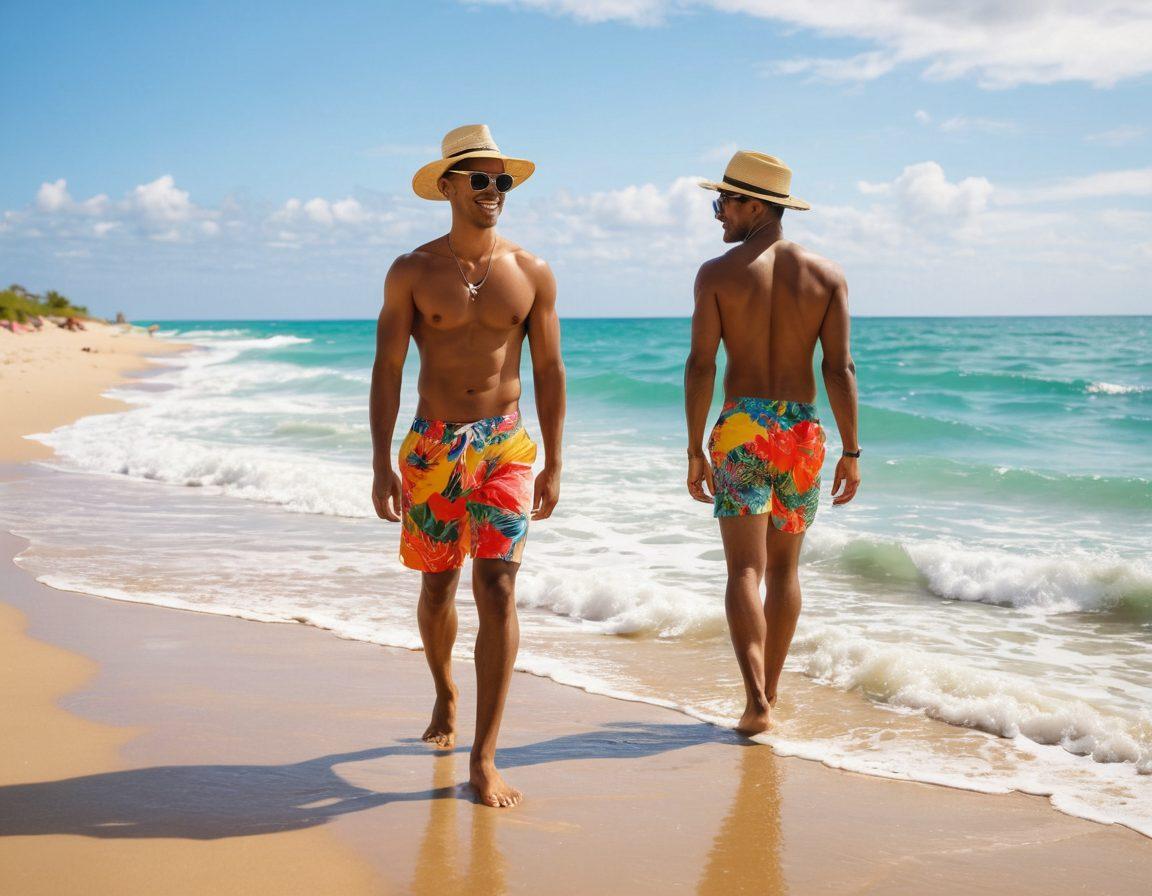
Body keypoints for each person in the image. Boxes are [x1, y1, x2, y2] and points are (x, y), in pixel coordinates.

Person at [370, 125, 566, 808]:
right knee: (436, 588)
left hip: (507, 445)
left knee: (500, 589)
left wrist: (555, 461)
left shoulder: (532, 271)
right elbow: (388, 367)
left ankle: (484, 757)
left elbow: (548, 368)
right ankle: (444, 691)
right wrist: (378, 460)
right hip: (431, 444)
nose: (492, 192)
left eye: (501, 180)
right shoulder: (412, 270)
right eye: (479, 180)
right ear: (448, 187)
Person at [684, 151, 861, 735]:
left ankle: (755, 699)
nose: (718, 216)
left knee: (744, 571)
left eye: (723, 203)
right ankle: (772, 694)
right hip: (801, 433)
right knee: (785, 572)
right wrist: (851, 451)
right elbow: (840, 370)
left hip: (741, 428)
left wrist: (694, 447)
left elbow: (701, 366)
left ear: (754, 205)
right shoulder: (827, 277)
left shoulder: (716, 275)